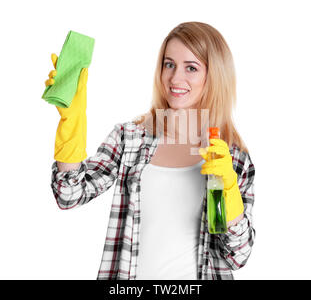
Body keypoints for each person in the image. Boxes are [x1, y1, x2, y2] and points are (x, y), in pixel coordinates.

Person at [45, 21, 255, 280]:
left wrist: (229, 190)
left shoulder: (232, 157)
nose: (175, 78)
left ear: (214, 76)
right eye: (169, 64)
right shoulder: (130, 138)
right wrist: (72, 124)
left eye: (191, 68)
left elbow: (237, 256)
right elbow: (69, 195)